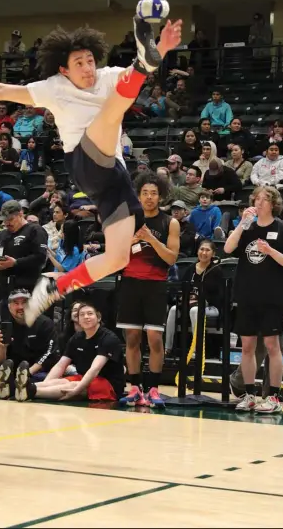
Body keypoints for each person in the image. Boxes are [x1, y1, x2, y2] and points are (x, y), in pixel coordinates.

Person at [0, 13, 182, 326]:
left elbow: (139, 74)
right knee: (114, 108)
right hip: (83, 159)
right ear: (64, 69)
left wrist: (162, 48)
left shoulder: (108, 76)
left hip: (112, 175)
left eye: (90, 60)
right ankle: (144, 38)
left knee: (118, 257)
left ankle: (56, 286)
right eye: (79, 63)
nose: (88, 68)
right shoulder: (55, 87)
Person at [224, 186, 283, 414]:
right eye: (256, 199)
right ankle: (249, 394)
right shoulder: (247, 229)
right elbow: (228, 248)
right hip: (247, 296)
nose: (258, 203)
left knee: (271, 346)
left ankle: (274, 396)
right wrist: (241, 224)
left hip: (272, 298)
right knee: (247, 347)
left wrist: (271, 252)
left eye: (264, 199)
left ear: (273, 204)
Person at [117, 172, 180, 408]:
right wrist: (130, 243)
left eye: (154, 193)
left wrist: (151, 240)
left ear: (160, 196)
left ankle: (153, 388)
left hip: (155, 284)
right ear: (139, 195)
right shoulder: (129, 220)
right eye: (145, 193)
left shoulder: (169, 223)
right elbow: (115, 255)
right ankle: (135, 388)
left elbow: (171, 258)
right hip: (130, 283)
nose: (149, 197)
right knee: (131, 338)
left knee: (154, 339)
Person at [14, 303, 124, 403]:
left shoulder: (108, 338)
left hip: (108, 384)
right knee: (59, 382)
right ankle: (21, 387)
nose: (86, 317)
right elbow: (60, 365)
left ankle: (31, 391)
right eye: (82, 315)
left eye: (90, 314)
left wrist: (77, 390)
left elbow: (95, 369)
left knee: (72, 385)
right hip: (83, 376)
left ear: (98, 317)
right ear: (78, 320)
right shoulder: (76, 338)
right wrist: (46, 383)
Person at [0, 289, 59, 398]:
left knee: (50, 376)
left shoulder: (45, 323)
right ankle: (16, 386)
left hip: (34, 371)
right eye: (16, 303)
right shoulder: (3, 328)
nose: (21, 307)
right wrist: (2, 348)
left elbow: (49, 354)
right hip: (10, 371)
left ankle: (5, 385)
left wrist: (27, 373)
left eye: (24, 302)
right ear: (9, 307)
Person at [165, 240, 222, 354]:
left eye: (207, 250)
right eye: (202, 249)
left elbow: (219, 296)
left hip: (209, 306)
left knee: (195, 311)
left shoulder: (216, 271)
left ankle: (196, 350)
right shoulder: (190, 268)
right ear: (197, 251)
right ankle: (167, 348)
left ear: (213, 254)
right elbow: (182, 288)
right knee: (173, 310)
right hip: (188, 303)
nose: (204, 253)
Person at [0, 201, 48, 299]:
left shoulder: (35, 230)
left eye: (10, 219)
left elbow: (40, 257)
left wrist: (16, 262)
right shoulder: (2, 235)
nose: (7, 223)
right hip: (5, 286)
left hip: (27, 286)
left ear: (21, 214)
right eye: (4, 220)